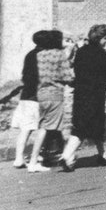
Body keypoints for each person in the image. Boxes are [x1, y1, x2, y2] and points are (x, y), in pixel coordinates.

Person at [61, 25, 106, 171]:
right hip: (96, 96)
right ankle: (66, 155)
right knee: (84, 128)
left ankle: (102, 155)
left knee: (92, 125)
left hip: (80, 94)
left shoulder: (81, 52)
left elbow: (76, 70)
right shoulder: (103, 55)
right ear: (102, 39)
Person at [28, 30, 73, 173]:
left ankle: (41, 157)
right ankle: (64, 156)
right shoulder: (60, 55)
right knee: (50, 128)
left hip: (41, 93)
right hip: (55, 94)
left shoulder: (40, 55)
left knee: (45, 126)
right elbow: (67, 77)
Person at [11, 31, 48, 168]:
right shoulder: (43, 56)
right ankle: (35, 157)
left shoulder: (30, 54)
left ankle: (19, 158)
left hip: (26, 95)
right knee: (40, 127)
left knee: (25, 129)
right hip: (36, 96)